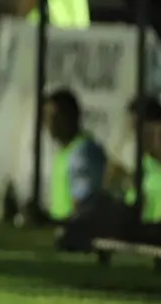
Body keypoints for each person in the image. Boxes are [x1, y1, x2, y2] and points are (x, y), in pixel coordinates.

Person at [43, 89, 108, 223]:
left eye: (55, 117)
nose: (49, 124)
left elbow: (84, 203)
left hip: (75, 230)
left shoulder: (83, 150)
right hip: (60, 227)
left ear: (70, 117)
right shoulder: (63, 152)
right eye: (47, 117)